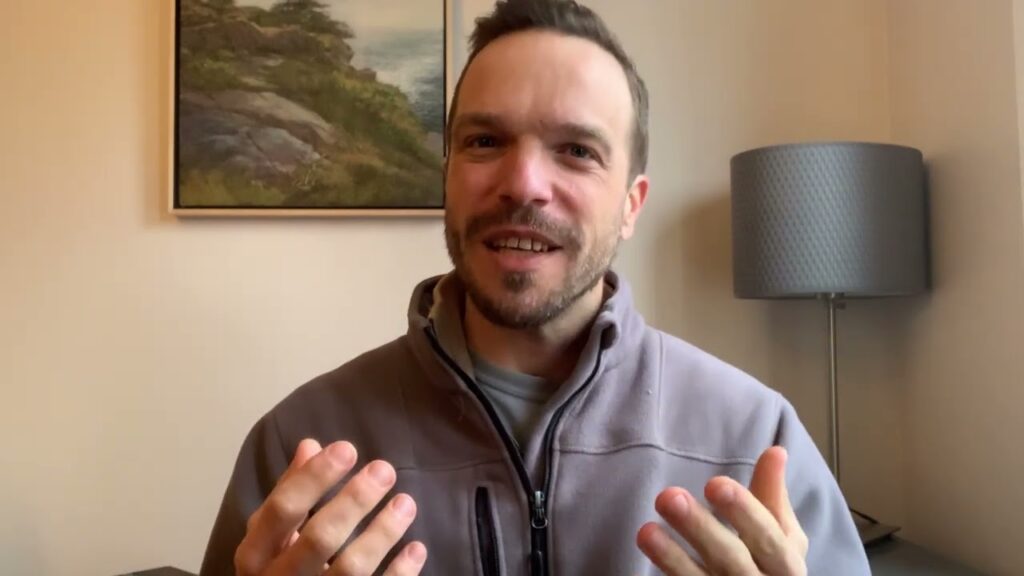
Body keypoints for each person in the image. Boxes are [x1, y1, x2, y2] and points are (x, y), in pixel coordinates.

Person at [200, 1, 870, 574]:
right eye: (485, 141)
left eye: (577, 150)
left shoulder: (754, 440)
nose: (522, 184)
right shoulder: (298, 446)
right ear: (448, 177)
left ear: (632, 204)